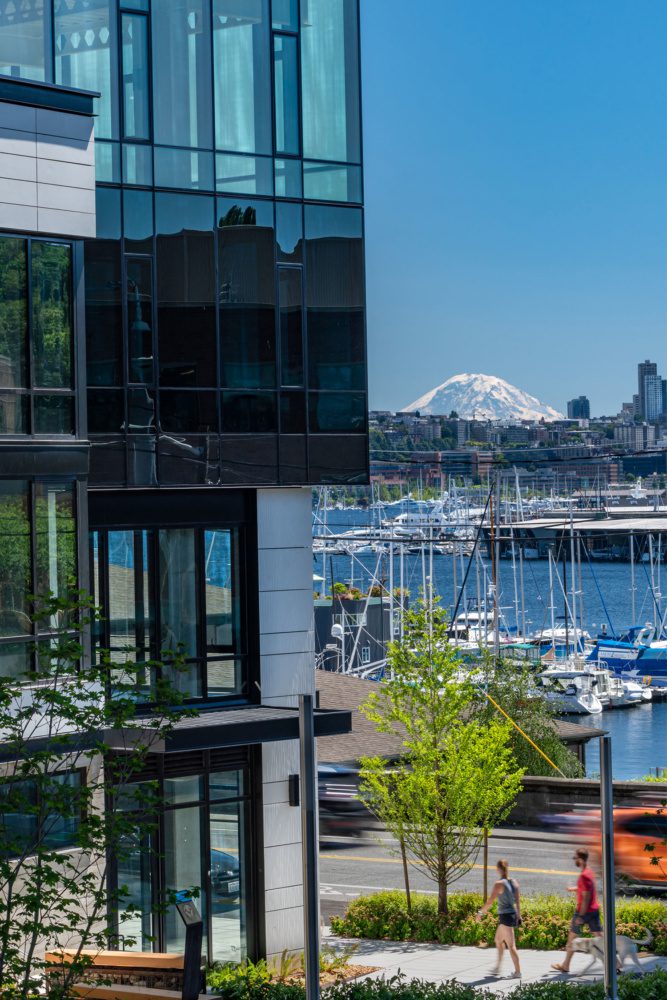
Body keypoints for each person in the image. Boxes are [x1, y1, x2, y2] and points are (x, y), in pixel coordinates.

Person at [551, 847, 602, 974]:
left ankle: (566, 965)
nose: (574, 860)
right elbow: (587, 890)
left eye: (575, 858)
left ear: (580, 859)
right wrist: (574, 889)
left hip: (583, 912)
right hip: (594, 910)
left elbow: (585, 898)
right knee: (600, 940)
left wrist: (581, 916)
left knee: (572, 939)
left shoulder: (583, 876)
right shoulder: (589, 872)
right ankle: (616, 964)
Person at [475, 859, 522, 979]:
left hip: (505, 917)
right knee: (498, 940)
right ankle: (497, 968)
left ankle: (518, 972)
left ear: (498, 869)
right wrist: (519, 915)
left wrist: (480, 913)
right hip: (510, 915)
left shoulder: (499, 884)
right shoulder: (514, 882)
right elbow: (517, 901)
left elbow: (490, 901)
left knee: (511, 946)